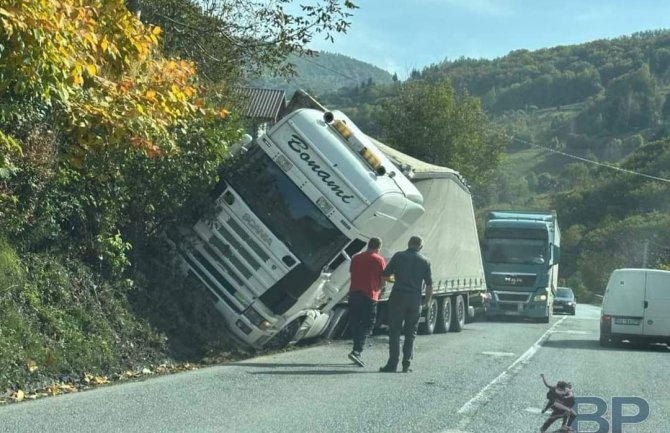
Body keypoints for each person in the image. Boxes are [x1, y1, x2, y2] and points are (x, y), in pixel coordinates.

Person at [379, 235, 433, 373]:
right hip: (415, 300)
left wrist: (393, 281)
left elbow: (385, 275)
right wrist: (426, 301)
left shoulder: (398, 256)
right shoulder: (425, 261)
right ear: (420, 247)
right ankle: (406, 364)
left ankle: (392, 364)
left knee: (395, 331)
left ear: (408, 243)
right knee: (411, 333)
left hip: (398, 297)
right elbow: (429, 284)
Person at [347, 237, 386, 367]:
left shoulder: (356, 257)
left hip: (354, 294)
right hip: (369, 295)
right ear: (378, 247)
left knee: (356, 322)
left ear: (368, 245)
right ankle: (357, 351)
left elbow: (353, 273)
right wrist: (379, 291)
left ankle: (356, 348)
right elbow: (383, 279)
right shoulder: (379, 259)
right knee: (368, 324)